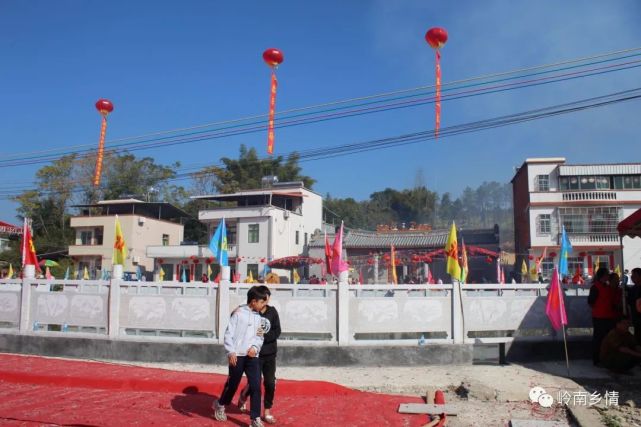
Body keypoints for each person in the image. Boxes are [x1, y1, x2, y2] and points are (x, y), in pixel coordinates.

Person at [213, 286, 268, 427]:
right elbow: (228, 334)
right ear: (254, 301)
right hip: (237, 356)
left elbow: (260, 337)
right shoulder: (238, 314)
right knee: (233, 385)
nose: (264, 306)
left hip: (252, 358)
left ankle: (255, 418)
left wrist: (255, 348)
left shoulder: (259, 317)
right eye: (263, 302)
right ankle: (220, 404)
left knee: (256, 386)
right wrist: (230, 352)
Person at [238, 285, 281, 424]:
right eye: (264, 297)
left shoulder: (272, 312)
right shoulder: (252, 311)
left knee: (270, 383)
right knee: (255, 383)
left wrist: (265, 335)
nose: (266, 299)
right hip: (254, 354)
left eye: (267, 297)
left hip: (269, 353)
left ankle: (267, 411)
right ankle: (244, 394)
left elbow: (277, 331)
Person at [588, 267, 622, 365]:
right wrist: (600, 308)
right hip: (599, 317)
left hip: (609, 317)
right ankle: (597, 360)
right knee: (599, 339)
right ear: (603, 276)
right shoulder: (595, 287)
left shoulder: (607, 287)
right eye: (607, 274)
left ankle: (607, 358)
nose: (608, 276)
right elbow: (591, 302)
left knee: (609, 339)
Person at [626, 267, 641, 345]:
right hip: (636, 319)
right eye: (631, 275)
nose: (632, 277)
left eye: (634, 275)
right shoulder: (633, 289)